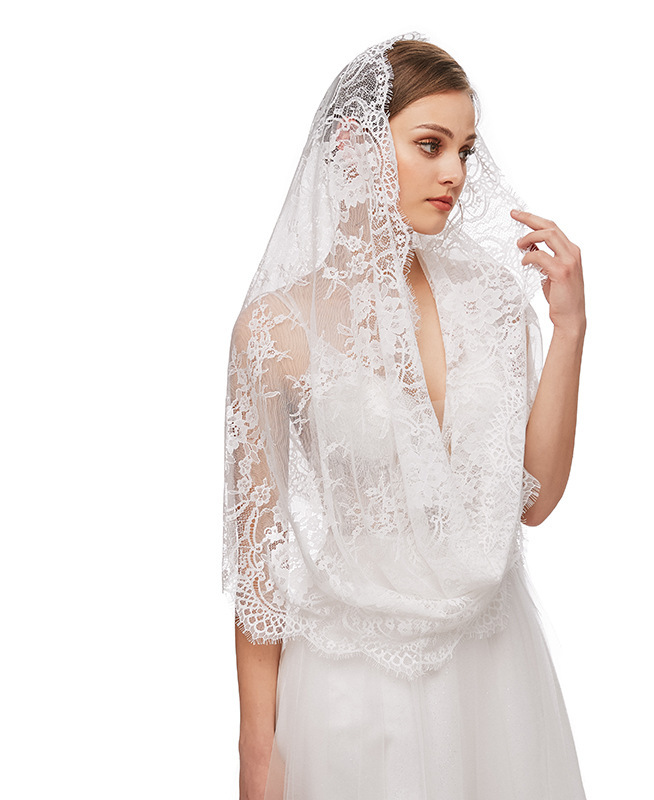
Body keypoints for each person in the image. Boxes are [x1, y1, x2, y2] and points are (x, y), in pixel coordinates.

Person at [223, 32, 587, 800]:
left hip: (493, 676)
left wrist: (570, 329)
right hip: (355, 690)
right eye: (430, 144)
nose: (455, 172)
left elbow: (535, 499)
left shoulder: (490, 300)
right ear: (354, 147)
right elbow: (260, 565)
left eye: (465, 150)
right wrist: (258, 749)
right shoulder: (275, 332)